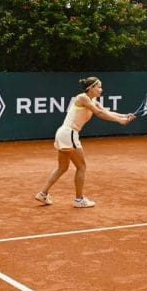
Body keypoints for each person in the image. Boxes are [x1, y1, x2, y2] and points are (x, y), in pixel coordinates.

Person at [34, 76, 135, 208]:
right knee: (81, 167)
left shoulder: (93, 101)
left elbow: (106, 111)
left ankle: (43, 193)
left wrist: (124, 116)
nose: (101, 89)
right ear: (90, 88)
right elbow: (99, 114)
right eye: (98, 87)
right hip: (69, 133)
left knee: (62, 167)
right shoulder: (82, 98)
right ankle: (79, 199)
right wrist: (119, 121)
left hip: (63, 134)